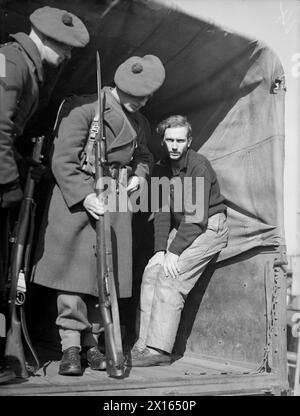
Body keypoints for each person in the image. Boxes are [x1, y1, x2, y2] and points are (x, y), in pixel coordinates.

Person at [32, 55, 166, 376]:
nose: (142, 102)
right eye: (136, 96)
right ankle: (71, 348)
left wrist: (140, 175)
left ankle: (92, 343)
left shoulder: (140, 122)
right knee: (73, 277)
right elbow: (63, 160)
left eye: (147, 97)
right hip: (78, 201)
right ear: (120, 87)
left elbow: (144, 154)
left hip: (115, 203)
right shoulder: (86, 109)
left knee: (104, 280)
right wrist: (85, 195)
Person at [0, 6, 89, 384]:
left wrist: (23, 162)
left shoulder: (28, 67)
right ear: (46, 39)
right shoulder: (9, 60)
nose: (68, 56)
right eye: (65, 48)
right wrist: (10, 186)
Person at [130, 115, 229, 366]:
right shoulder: (161, 168)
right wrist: (161, 251)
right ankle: (142, 345)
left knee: (170, 278)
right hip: (185, 226)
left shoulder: (199, 166)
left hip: (209, 228)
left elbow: (197, 220)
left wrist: (174, 252)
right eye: (170, 140)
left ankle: (159, 350)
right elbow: (162, 213)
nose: (175, 145)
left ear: (189, 141)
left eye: (180, 141)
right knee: (152, 271)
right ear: (163, 140)